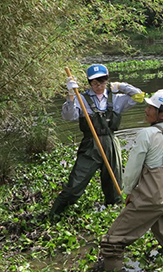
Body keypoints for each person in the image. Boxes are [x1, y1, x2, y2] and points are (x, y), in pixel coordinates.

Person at [100, 89, 163, 271]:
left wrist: (129, 192)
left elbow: (133, 169)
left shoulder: (147, 134)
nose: (146, 109)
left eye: (151, 107)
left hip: (149, 198)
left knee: (113, 242)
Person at [49, 64, 144, 217]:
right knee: (76, 183)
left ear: (107, 81)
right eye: (95, 82)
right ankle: (54, 214)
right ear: (89, 83)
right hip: (90, 145)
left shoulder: (117, 98)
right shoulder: (81, 99)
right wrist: (70, 95)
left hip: (111, 143)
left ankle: (113, 213)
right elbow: (68, 116)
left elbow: (139, 97)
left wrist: (121, 86)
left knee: (114, 185)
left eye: (102, 81)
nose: (99, 86)